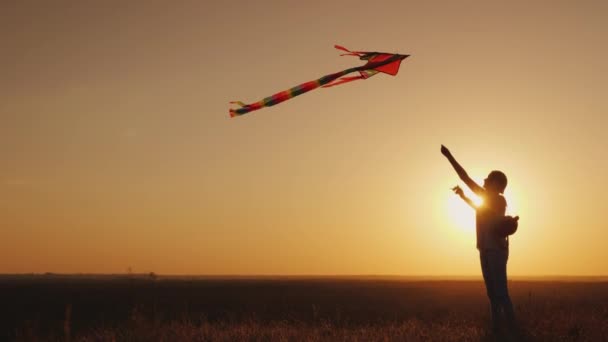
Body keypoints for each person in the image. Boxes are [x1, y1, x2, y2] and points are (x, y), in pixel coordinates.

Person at [440, 145, 517, 333]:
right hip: (484, 249)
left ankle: (512, 329)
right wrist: (464, 197)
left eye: (488, 178)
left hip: (496, 251)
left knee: (501, 292)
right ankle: (497, 328)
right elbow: (481, 211)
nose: (484, 180)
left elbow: (464, 177)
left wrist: (449, 156)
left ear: (497, 185)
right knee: (492, 294)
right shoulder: (488, 200)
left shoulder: (498, 200)